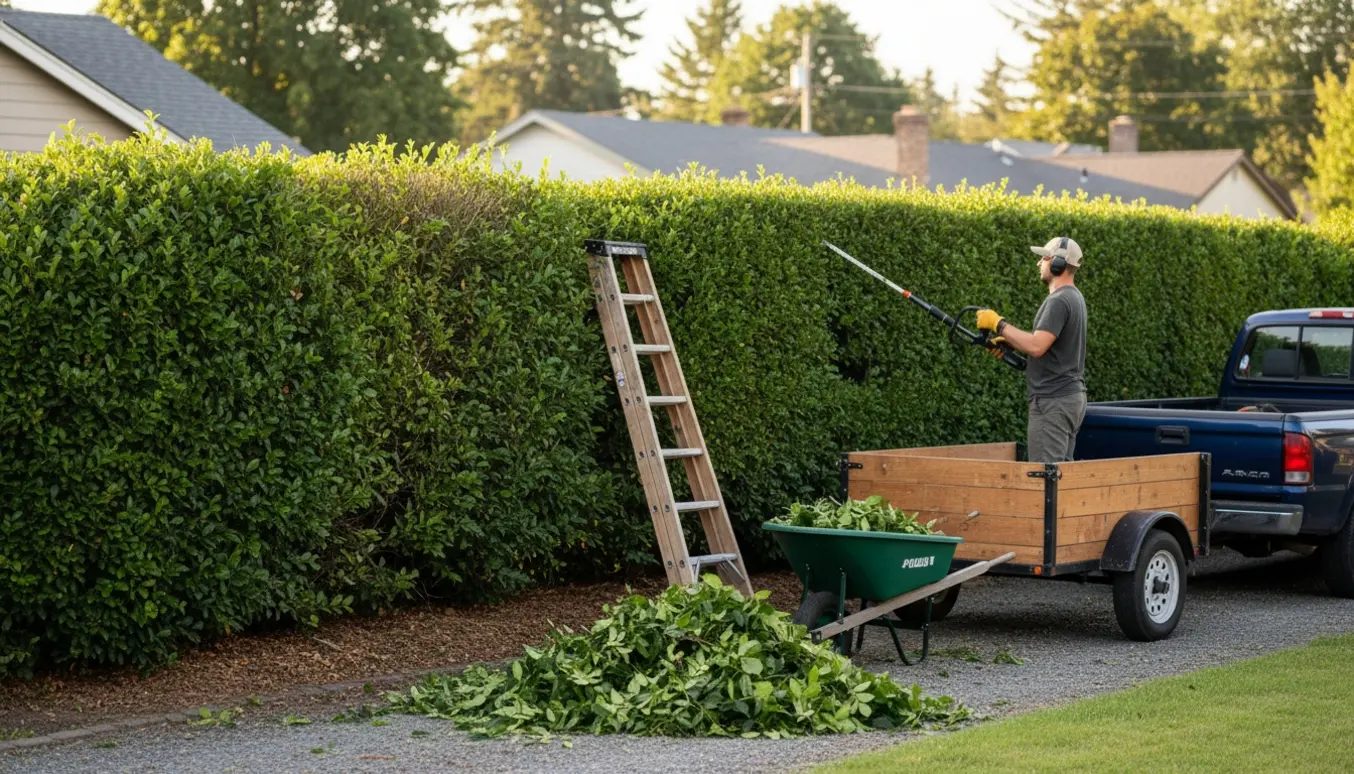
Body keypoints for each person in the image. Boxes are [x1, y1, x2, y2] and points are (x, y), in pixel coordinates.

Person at [975, 236, 1088, 463]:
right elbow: (1047, 347)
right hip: (1069, 398)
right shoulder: (1075, 298)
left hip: (1052, 402)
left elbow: (1036, 346)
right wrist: (1010, 342)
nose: (1039, 263)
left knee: (1044, 480)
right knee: (1061, 477)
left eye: (1044, 258)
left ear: (1058, 263)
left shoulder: (1059, 301)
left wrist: (998, 324)